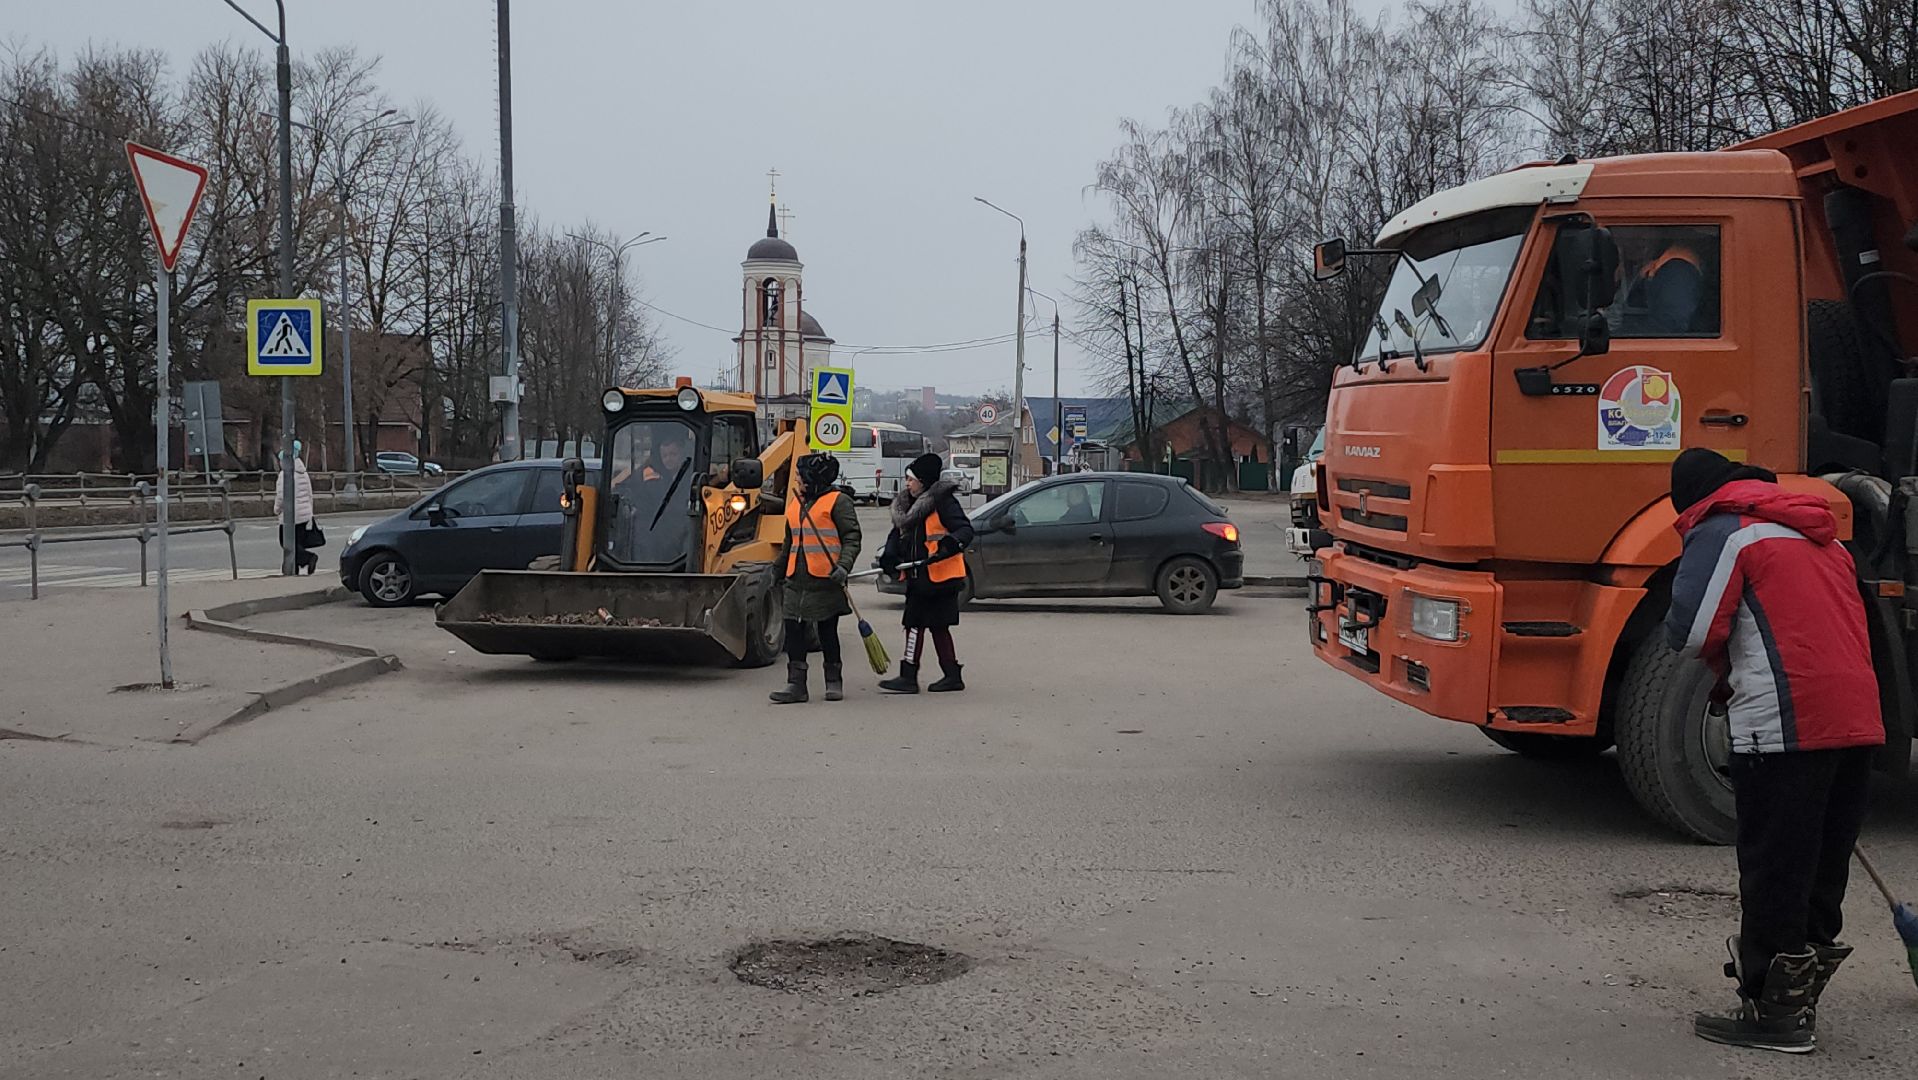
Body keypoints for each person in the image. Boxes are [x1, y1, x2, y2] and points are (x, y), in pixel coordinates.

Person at [1665, 447, 1885, 1054]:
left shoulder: (1726, 530)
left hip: (1784, 724)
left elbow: (1692, 628)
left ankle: (1775, 1017)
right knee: (1819, 865)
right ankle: (1801, 997)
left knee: (1774, 867)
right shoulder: (1825, 538)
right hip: (1857, 717)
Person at [769, 453, 861, 704]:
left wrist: (844, 566)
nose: (796, 478)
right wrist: (776, 570)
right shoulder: (795, 502)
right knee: (793, 631)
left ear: (812, 477)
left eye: (800, 474)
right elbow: (790, 542)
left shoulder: (839, 502)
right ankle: (796, 685)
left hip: (826, 579)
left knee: (827, 632)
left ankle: (833, 681)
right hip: (795, 580)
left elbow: (852, 538)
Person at [879, 453, 974, 693]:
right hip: (918, 577)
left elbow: (964, 530)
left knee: (927, 625)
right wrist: (890, 556)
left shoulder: (943, 503)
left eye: (911, 479)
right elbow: (897, 535)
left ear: (923, 481)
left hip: (941, 576)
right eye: (906, 479)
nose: (907, 483)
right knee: (923, 624)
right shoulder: (907, 505)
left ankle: (928, 676)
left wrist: (948, 546)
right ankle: (932, 675)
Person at [272, 440, 318, 574]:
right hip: (304, 515)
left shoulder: (284, 475)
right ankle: (294, 568)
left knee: (285, 542)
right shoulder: (303, 473)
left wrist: (276, 509)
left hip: (289, 515)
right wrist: (310, 511)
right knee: (298, 542)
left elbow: (281, 496)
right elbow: (309, 493)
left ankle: (308, 558)